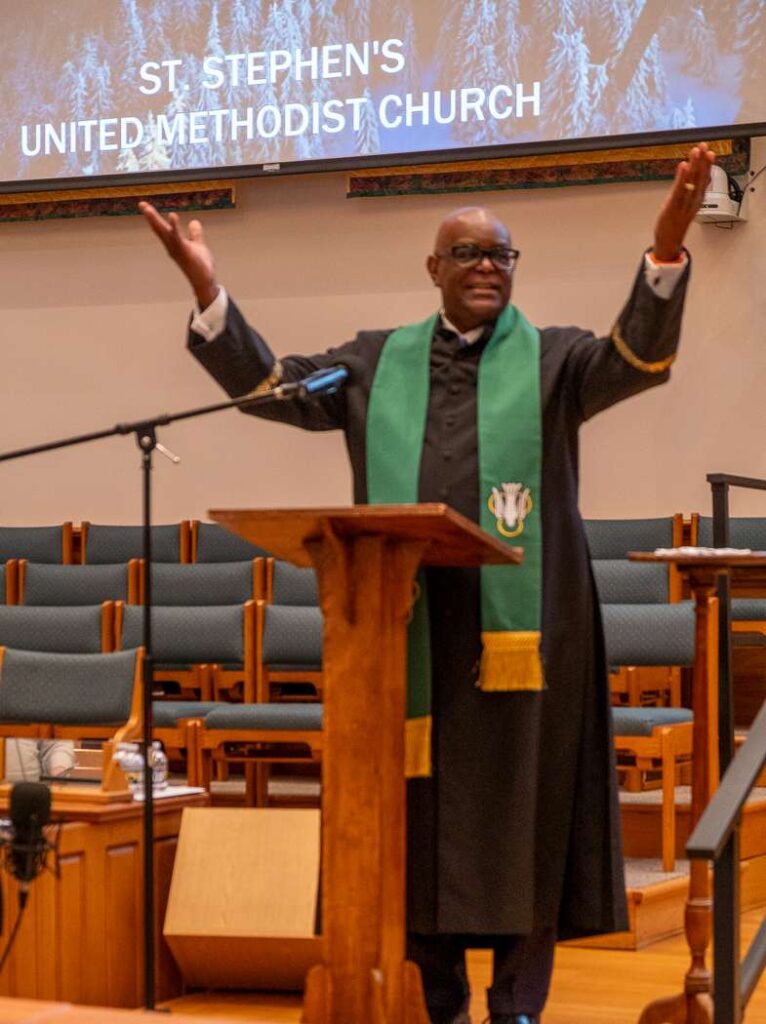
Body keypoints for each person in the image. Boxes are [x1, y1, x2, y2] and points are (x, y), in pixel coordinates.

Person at [140, 142, 714, 1024]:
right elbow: (272, 388)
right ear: (434, 268)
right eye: (470, 254)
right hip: (405, 627)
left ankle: (517, 1003)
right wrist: (208, 293)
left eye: (502, 256)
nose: (488, 268)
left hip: (525, 640)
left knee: (525, 808)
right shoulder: (376, 363)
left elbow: (635, 358)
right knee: (420, 813)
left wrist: (668, 249)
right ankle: (433, 995)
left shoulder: (556, 361)